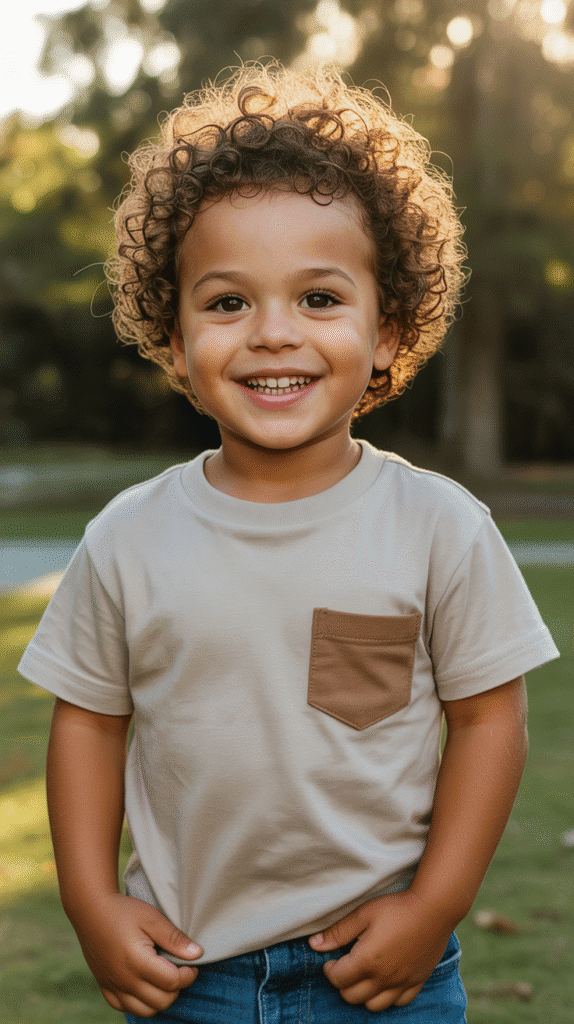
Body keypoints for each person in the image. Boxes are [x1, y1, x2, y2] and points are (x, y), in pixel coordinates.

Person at [19, 62, 559, 1023]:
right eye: (228, 304)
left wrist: (433, 908)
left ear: (387, 330)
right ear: (177, 344)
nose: (273, 334)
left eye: (318, 299)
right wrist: (91, 902)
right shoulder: (127, 539)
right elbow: (90, 725)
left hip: (385, 971)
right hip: (190, 974)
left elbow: (489, 723)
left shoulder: (440, 529)